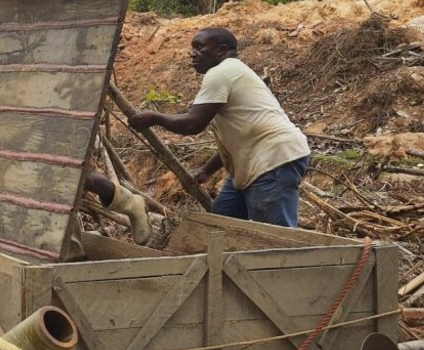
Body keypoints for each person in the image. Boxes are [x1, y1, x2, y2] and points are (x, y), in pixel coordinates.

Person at [126, 28, 311, 227]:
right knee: (222, 221)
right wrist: (207, 170)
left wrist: (155, 117)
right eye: (192, 48)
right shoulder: (233, 71)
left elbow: (193, 123)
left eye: (199, 47)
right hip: (256, 160)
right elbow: (237, 137)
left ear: (221, 50)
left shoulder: (221, 72)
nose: (193, 53)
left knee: (273, 237)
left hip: (272, 160)